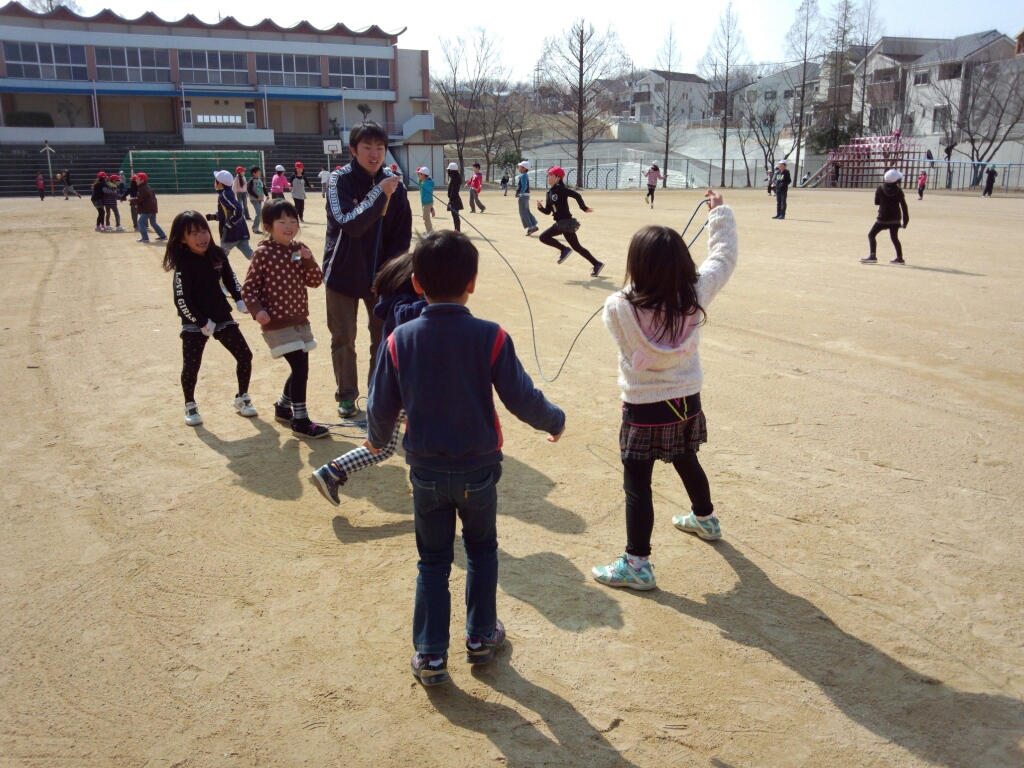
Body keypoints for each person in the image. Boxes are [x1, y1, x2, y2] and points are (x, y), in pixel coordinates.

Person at [365, 230, 565, 685]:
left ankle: (431, 655)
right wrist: (554, 420)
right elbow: (522, 397)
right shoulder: (490, 335)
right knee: (481, 550)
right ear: (472, 282)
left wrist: (376, 439)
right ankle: (480, 636)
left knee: (433, 561)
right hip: (479, 467)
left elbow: (380, 402)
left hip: (426, 470)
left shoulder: (398, 339)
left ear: (416, 283)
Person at [592, 190, 737, 591]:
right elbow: (723, 258)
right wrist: (719, 213)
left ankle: (637, 564)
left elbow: (626, 330)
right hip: (686, 400)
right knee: (686, 457)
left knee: (638, 483)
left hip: (643, 406)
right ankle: (705, 519)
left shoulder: (617, 306)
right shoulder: (694, 293)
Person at [311, 253, 426, 504]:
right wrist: (437, 301)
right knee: (419, 442)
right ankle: (429, 491)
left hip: (397, 390)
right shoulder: (401, 304)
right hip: (399, 392)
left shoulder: (397, 301)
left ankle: (333, 471)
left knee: (383, 448)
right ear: (414, 282)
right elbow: (408, 316)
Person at [322, 120, 412, 419]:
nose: (375, 154)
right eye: (367, 147)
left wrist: (389, 275)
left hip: (381, 277)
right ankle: (347, 396)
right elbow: (350, 224)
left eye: (380, 148)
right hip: (342, 274)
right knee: (343, 339)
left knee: (383, 338)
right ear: (353, 150)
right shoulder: (339, 180)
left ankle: (378, 394)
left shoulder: (395, 184)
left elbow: (401, 236)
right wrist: (378, 194)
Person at [241, 199, 329, 439]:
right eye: (282, 221)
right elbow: (248, 289)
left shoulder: (298, 249)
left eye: (293, 221)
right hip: (277, 323)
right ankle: (300, 420)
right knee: (300, 368)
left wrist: (308, 259)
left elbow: (315, 281)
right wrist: (257, 310)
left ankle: (283, 406)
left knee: (300, 367)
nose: (289, 226)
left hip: (299, 320)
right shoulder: (263, 254)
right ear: (267, 226)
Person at [163, 210, 256, 427]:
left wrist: (240, 299)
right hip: (194, 319)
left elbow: (231, 280)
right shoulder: (183, 264)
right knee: (191, 365)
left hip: (220, 314)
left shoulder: (218, 255)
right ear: (182, 238)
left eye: (203, 231)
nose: (201, 238)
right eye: (193, 234)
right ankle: (190, 404)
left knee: (245, 355)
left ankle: (242, 397)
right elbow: (181, 299)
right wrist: (201, 322)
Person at [536, 166, 604, 277]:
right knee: (577, 247)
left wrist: (583, 208)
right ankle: (597, 264)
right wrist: (540, 208)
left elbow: (576, 195)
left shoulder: (560, 189)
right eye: (548, 175)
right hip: (562, 223)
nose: (548, 177)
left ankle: (564, 249)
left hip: (565, 222)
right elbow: (548, 211)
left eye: (551, 175)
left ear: (558, 177)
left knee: (543, 237)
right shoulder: (549, 193)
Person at [860, 169, 909, 265]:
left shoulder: (880, 188)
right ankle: (900, 258)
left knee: (871, 235)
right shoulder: (899, 191)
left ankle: (872, 256)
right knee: (894, 238)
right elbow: (904, 206)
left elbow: (876, 202)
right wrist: (905, 220)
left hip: (883, 217)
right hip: (895, 219)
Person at [212, 170, 253, 260]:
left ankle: (222, 271)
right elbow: (229, 211)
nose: (214, 182)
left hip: (231, 233)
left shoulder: (223, 195)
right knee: (250, 253)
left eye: (215, 180)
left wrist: (229, 224)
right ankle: (264, 265)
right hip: (241, 229)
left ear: (220, 183)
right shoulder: (229, 192)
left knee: (220, 257)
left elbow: (238, 209)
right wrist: (217, 216)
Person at [135, 172, 167, 243]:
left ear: (142, 180)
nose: (136, 180)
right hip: (152, 207)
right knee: (153, 222)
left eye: (137, 178)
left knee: (140, 222)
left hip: (148, 208)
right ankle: (163, 236)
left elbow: (139, 199)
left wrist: (132, 200)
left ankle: (145, 238)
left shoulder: (142, 188)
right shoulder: (146, 187)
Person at [515, 160, 539, 236]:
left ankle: (531, 227)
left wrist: (521, 193)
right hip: (526, 196)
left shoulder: (523, 175)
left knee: (523, 212)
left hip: (523, 196)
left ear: (524, 168)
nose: (519, 167)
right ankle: (533, 226)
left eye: (520, 166)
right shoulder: (524, 175)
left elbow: (524, 185)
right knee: (526, 211)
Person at [246, 167, 269, 235]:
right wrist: (256, 196)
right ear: (254, 173)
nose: (259, 173)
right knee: (259, 213)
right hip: (254, 199)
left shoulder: (259, 180)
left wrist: (267, 195)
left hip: (260, 199)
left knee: (259, 213)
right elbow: (249, 190)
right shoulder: (251, 181)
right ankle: (255, 228)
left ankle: (256, 228)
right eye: (258, 172)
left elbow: (264, 188)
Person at [415, 166, 435, 233]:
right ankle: (429, 231)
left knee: (426, 218)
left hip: (427, 203)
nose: (419, 175)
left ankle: (430, 232)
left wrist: (424, 200)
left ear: (423, 175)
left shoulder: (426, 184)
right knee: (426, 218)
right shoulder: (426, 182)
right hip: (427, 202)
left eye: (420, 174)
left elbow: (429, 193)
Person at [446, 162, 464, 232]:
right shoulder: (454, 177)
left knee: (455, 216)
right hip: (454, 199)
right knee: (454, 215)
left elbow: (454, 191)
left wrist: (451, 201)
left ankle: (457, 230)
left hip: (455, 200)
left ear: (451, 171)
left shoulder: (455, 178)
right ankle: (456, 229)